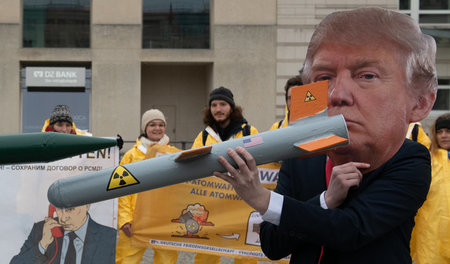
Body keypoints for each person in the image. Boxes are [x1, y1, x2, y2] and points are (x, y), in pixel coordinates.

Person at [212, 7, 437, 263]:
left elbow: (352, 230)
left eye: (367, 76)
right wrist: (325, 200)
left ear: (420, 103)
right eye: (325, 77)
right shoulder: (301, 157)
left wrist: (262, 198)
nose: (337, 94)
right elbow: (272, 245)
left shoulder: (409, 158)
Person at [191, 86, 258, 264]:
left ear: (232, 107)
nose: (218, 109)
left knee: (245, 255)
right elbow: (193, 167)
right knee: (206, 253)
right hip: (212, 202)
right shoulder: (204, 136)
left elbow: (262, 162)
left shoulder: (249, 132)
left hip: (242, 203)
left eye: (222, 104)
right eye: (214, 105)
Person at [116, 109, 178, 264]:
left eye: (160, 124)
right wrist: (124, 219)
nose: (157, 128)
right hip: (135, 221)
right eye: (152, 125)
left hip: (164, 220)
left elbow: (179, 190)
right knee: (126, 260)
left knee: (167, 261)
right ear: (145, 128)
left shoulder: (174, 155)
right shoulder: (131, 156)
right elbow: (121, 190)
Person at [10, 204, 117, 263]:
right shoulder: (41, 230)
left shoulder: (109, 237)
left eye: (70, 209)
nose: (63, 218)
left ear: (86, 205)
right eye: (59, 210)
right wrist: (42, 245)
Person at [410, 113, 450, 263]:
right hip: (431, 234)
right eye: (440, 132)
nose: (444, 136)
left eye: (448, 131)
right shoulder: (427, 159)